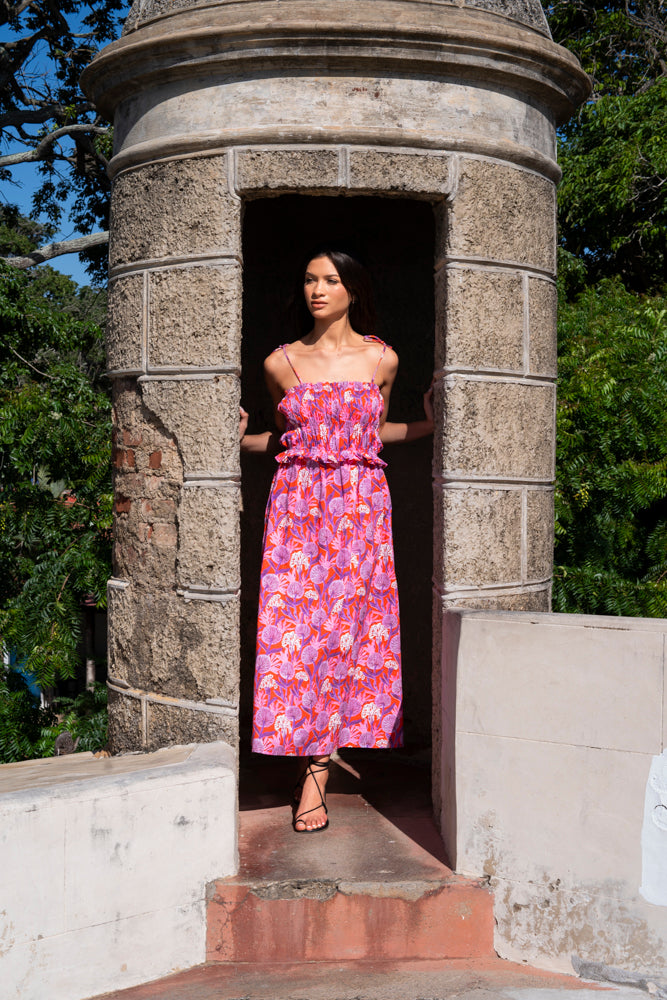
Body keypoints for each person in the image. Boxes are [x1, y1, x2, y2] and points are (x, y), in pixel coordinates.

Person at [240, 248, 433, 833]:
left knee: (350, 632)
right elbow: (279, 440)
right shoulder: (281, 363)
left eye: (330, 280)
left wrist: (431, 425)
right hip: (297, 506)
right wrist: (235, 436)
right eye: (308, 280)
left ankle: (315, 776)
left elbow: (374, 432)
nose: (316, 290)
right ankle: (308, 767)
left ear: (354, 287)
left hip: (360, 508)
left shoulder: (382, 358)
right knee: (296, 637)